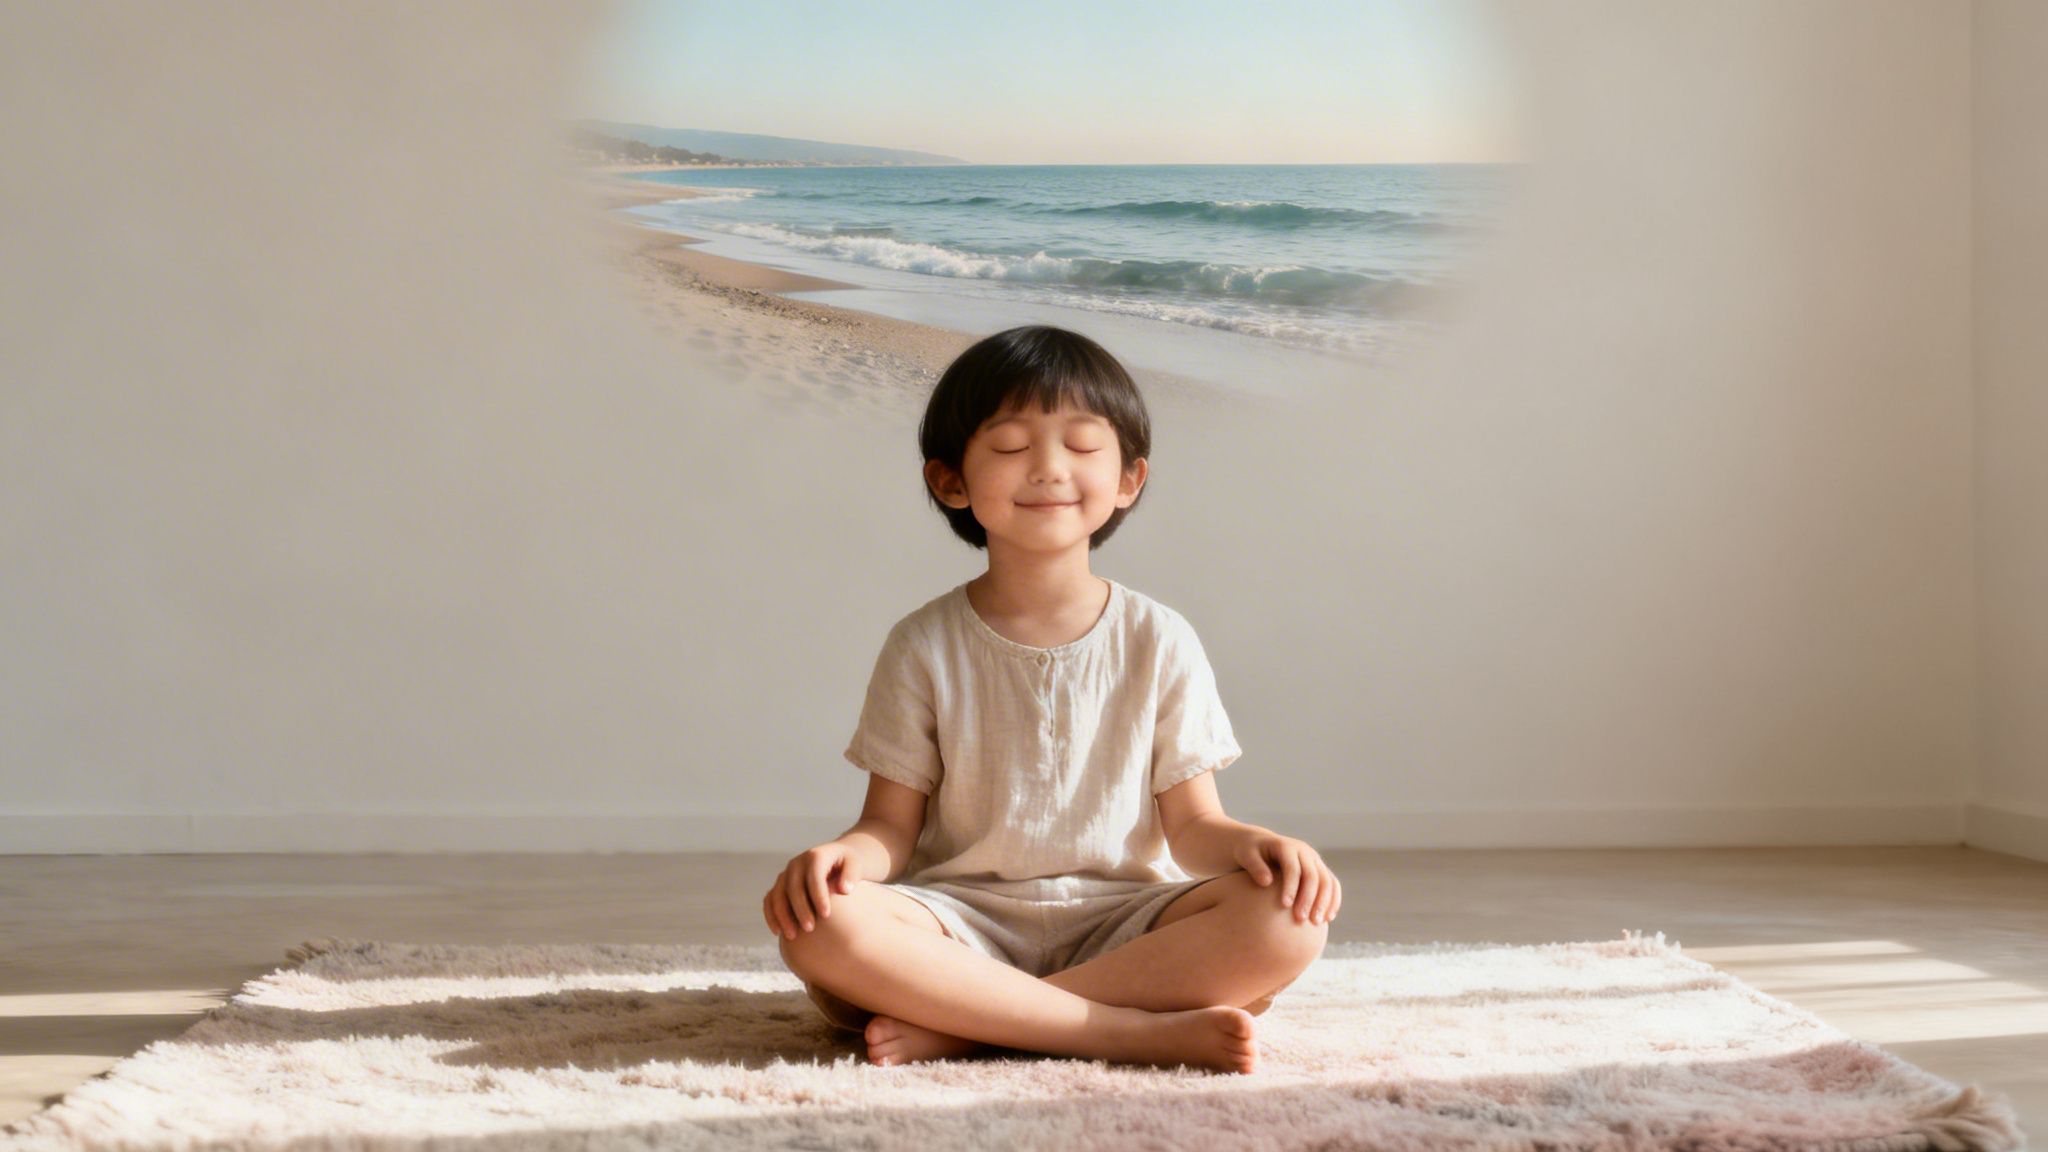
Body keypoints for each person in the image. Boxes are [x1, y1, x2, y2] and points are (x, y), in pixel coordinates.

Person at [763, 325, 1339, 1074]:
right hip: (961, 923)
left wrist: (1253, 845)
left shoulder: (1160, 638)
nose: (1047, 468)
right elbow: (890, 828)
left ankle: (975, 1023)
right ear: (951, 482)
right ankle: (1117, 1031)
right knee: (819, 925)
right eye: (1009, 447)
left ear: (1130, 479)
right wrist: (842, 856)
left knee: (1288, 920)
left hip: (1125, 920)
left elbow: (1194, 826)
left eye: (1081, 445)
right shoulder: (922, 643)